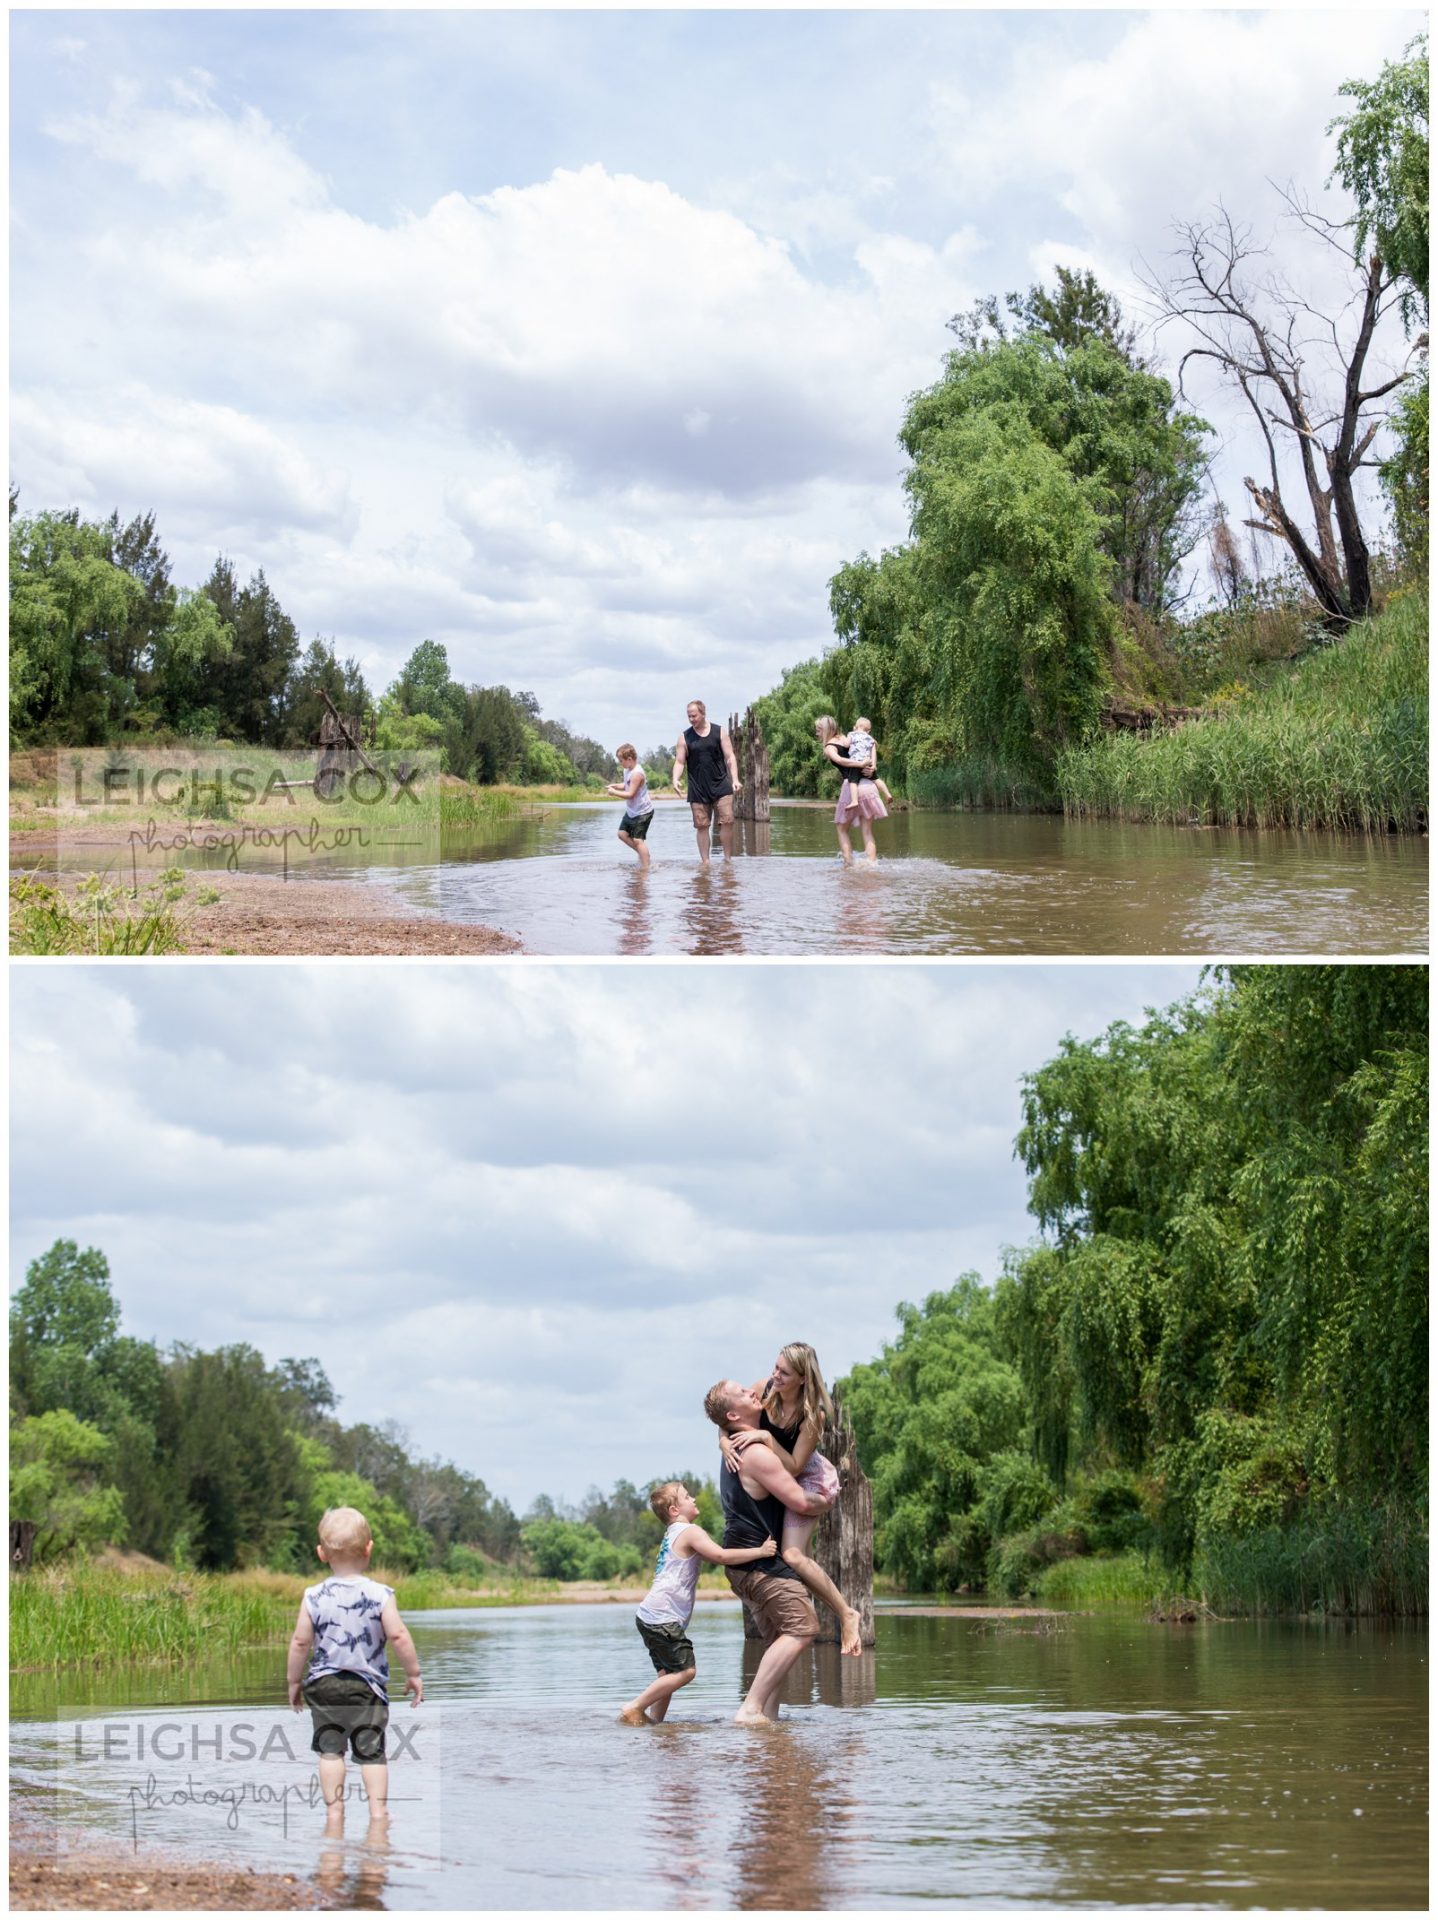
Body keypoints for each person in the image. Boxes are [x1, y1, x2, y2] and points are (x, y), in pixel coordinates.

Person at [722, 1342, 863, 1657]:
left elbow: (797, 1465)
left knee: (794, 1556)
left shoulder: (814, 1415)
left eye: (784, 1372)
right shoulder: (765, 1388)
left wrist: (767, 1438)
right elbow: (725, 1418)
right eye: (775, 1367)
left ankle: (847, 1613)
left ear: (803, 1378)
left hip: (807, 1480)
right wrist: (723, 1444)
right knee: (800, 1569)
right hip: (782, 1481)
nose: (775, 1376)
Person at [287, 1506, 423, 1828]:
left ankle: (334, 1813)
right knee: (371, 1751)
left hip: (324, 1685)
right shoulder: (379, 1594)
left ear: (321, 1553)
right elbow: (399, 1635)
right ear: (369, 1548)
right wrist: (414, 1673)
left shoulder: (313, 1596)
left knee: (330, 1749)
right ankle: (378, 1814)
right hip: (367, 1688)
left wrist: (294, 1681)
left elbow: (299, 1643)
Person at [704, 1377, 829, 1724]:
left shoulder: (738, 1439)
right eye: (743, 1393)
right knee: (803, 1628)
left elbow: (726, 1414)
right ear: (733, 1413)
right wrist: (831, 1499)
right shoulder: (756, 1453)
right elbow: (800, 1502)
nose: (752, 1391)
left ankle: (768, 1723)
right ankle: (751, 1708)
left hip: (744, 1566)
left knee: (778, 1638)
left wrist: (722, 1437)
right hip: (761, 1566)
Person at [619, 1480, 776, 1726]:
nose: (693, 1499)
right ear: (674, 1510)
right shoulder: (690, 1531)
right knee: (686, 1672)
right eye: (686, 1496)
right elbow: (721, 1556)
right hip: (662, 1616)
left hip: (649, 1615)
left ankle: (655, 1725)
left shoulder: (673, 1533)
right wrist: (760, 1551)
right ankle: (635, 1706)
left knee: (668, 1676)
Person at [672, 700, 741, 864]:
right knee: (702, 826)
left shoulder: (719, 731)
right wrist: (675, 779)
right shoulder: (684, 737)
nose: (691, 719)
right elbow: (680, 762)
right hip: (697, 789)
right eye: (689, 716)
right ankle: (706, 862)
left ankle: (727, 859)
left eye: (694, 715)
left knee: (727, 821)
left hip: (721, 786)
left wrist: (735, 779)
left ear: (703, 713)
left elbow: (730, 757)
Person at [815, 716, 885, 865]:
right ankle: (872, 865)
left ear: (826, 730)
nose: (817, 734)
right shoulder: (847, 737)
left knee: (841, 829)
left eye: (818, 730)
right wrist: (872, 766)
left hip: (851, 786)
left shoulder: (829, 747)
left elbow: (841, 760)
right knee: (867, 831)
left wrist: (859, 764)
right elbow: (870, 747)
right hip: (869, 785)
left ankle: (848, 864)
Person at [606, 744, 655, 869]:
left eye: (621, 760)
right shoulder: (627, 770)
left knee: (638, 840)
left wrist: (613, 793)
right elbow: (627, 785)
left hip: (643, 812)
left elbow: (630, 794)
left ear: (629, 759)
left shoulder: (637, 774)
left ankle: (645, 867)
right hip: (632, 811)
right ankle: (643, 854)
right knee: (622, 834)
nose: (620, 763)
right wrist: (617, 786)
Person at [845, 719, 893, 806]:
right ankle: (887, 794)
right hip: (868, 764)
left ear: (855, 727)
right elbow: (873, 754)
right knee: (876, 780)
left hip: (856, 762)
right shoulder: (871, 739)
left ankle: (855, 801)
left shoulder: (852, 734)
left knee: (853, 782)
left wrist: (848, 737)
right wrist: (873, 765)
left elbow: (846, 744)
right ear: (868, 731)